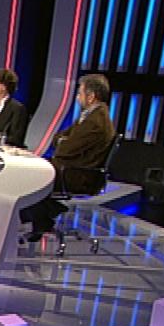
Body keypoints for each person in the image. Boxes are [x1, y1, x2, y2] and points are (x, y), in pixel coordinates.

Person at [20, 73, 115, 241]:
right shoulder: (91, 116)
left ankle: (46, 214)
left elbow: (65, 149)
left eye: (80, 93)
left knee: (31, 175)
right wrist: (63, 141)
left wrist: (63, 142)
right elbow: (59, 138)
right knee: (32, 169)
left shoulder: (96, 121)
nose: (77, 98)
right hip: (69, 168)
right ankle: (44, 218)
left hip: (76, 174)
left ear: (91, 97)